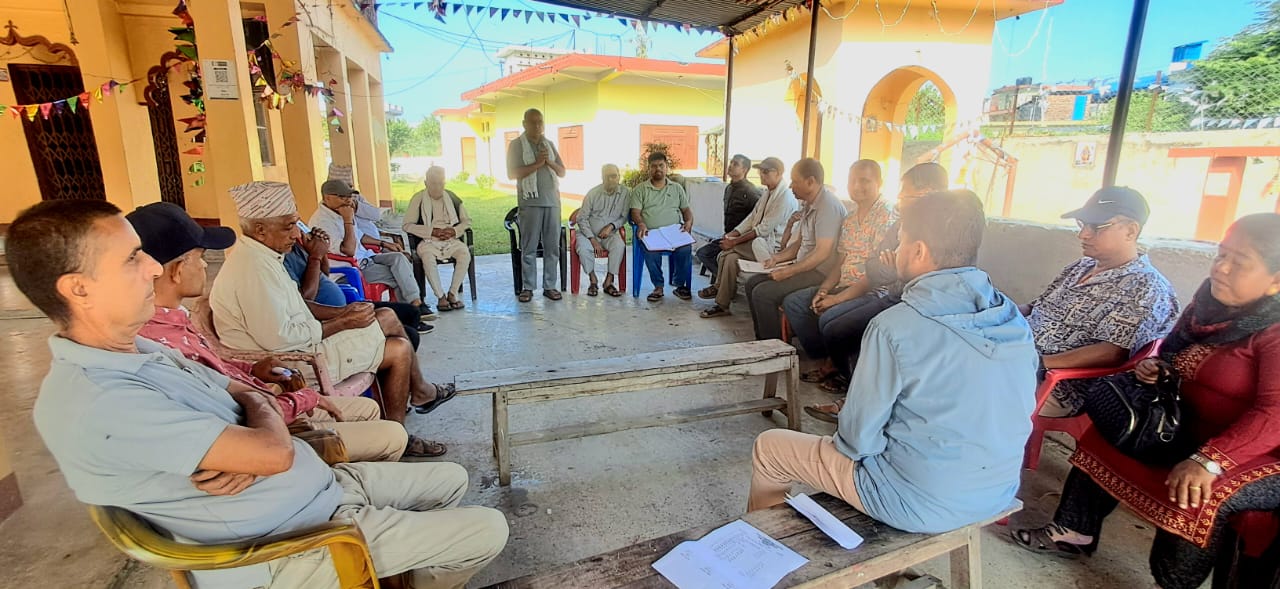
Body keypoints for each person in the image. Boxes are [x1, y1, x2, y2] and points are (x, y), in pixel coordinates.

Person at [10, 199, 508, 589]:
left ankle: (397, 568)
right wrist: (260, 424)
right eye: (131, 259)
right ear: (78, 288)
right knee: (488, 529)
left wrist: (255, 414)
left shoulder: (139, 347)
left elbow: (240, 390)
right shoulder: (99, 401)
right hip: (294, 544)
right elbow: (271, 448)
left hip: (318, 491)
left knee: (451, 478)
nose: (153, 269)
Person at [1011, 213, 1280, 589]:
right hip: (1187, 421)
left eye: (1240, 262)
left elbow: (1274, 414)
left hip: (1254, 450)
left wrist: (1209, 460)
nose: (1221, 268)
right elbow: (1171, 351)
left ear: (1276, 280)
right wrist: (1158, 368)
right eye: (1222, 255)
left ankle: (1173, 581)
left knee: (1199, 491)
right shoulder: (1209, 302)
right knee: (1110, 428)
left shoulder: (1274, 331)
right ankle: (1073, 531)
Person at [748, 190, 1038, 535]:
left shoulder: (895, 326)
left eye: (901, 241)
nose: (896, 250)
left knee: (770, 448)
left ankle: (762, 548)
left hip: (915, 500)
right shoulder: (1010, 316)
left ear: (919, 251)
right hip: (996, 490)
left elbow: (856, 441)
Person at [128, 202, 409, 463]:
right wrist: (300, 398)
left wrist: (251, 370)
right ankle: (350, 480)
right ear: (177, 270)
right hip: (270, 421)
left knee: (374, 397)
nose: (205, 265)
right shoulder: (158, 342)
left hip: (271, 394)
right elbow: (232, 411)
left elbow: (217, 372)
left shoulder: (178, 319)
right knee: (395, 361)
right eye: (200, 257)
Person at [210, 181, 453, 458]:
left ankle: (409, 411)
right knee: (398, 348)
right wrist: (343, 322)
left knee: (387, 317)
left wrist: (343, 313)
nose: (296, 234)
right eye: (288, 226)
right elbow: (281, 339)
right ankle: (403, 428)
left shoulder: (265, 256)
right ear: (260, 229)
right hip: (291, 363)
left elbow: (300, 305)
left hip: (302, 345)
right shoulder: (253, 270)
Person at [794, 163, 948, 409]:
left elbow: (890, 275)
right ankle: (845, 377)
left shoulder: (936, 229)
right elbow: (875, 267)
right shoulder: (899, 224)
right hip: (895, 293)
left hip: (904, 299)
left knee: (853, 328)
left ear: (928, 194)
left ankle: (859, 398)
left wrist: (893, 269)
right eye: (852, 180)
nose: (900, 199)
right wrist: (827, 290)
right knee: (821, 318)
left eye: (905, 194)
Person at [1022, 187, 1180, 417]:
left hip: (1058, 385)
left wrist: (1038, 362)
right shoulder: (1080, 267)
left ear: (1130, 231)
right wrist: (996, 309)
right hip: (1018, 357)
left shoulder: (1146, 286)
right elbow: (1036, 307)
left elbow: (1112, 352)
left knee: (975, 386)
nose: (1083, 235)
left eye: (1096, 227)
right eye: (1082, 224)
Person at [744, 158, 845, 341]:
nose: (791, 186)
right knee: (752, 283)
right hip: (805, 267)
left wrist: (788, 271)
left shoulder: (827, 207)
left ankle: (774, 348)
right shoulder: (809, 203)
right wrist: (776, 259)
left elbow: (822, 253)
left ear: (811, 182)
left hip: (820, 272)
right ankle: (762, 341)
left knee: (763, 294)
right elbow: (798, 244)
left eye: (795, 181)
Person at [283, 232, 430, 345]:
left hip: (343, 305)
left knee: (411, 313)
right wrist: (315, 257)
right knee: (409, 336)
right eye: (290, 225)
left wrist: (322, 251)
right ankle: (390, 361)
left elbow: (324, 274)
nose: (296, 231)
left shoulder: (297, 246)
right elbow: (305, 300)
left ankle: (395, 359)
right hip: (328, 317)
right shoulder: (281, 260)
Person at [698, 156, 796, 317]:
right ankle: (722, 305)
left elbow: (763, 229)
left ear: (778, 173)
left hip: (773, 249)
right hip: (758, 243)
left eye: (766, 172)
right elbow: (751, 219)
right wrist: (732, 235)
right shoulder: (767, 193)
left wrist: (734, 242)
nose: (762, 175)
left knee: (726, 252)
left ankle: (717, 286)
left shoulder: (784, 198)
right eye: (760, 171)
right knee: (729, 258)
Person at [309, 178, 426, 312]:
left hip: (365, 258)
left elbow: (359, 236)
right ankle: (412, 311)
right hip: (349, 270)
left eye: (349, 196)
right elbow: (349, 250)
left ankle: (414, 304)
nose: (348, 201)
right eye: (342, 197)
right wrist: (348, 220)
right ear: (327, 198)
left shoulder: (340, 210)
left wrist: (384, 244)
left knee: (399, 258)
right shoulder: (322, 221)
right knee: (400, 276)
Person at [507, 108, 566, 303]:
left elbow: (562, 172)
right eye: (533, 122)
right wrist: (538, 164)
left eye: (540, 121)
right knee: (529, 247)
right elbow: (512, 173)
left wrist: (548, 161)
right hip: (530, 202)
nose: (538, 125)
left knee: (552, 247)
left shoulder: (548, 144)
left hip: (552, 202)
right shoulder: (516, 145)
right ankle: (528, 287)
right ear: (524, 124)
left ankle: (550, 286)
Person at [404, 166, 473, 312]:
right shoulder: (418, 199)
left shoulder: (452, 197)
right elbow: (407, 225)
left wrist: (454, 231)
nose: (437, 187)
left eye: (441, 183)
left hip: (450, 240)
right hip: (428, 241)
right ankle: (440, 296)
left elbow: (467, 221)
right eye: (433, 184)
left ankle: (452, 293)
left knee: (464, 253)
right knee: (428, 258)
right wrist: (431, 231)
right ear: (426, 183)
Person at [630, 151, 695, 302]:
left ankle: (679, 284)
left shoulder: (677, 188)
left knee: (685, 249)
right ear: (648, 169)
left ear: (667, 167)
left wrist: (688, 222)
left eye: (661, 165)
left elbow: (686, 210)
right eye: (653, 166)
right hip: (651, 233)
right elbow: (635, 212)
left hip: (673, 232)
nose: (657, 169)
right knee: (651, 252)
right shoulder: (640, 189)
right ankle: (658, 287)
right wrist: (641, 223)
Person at [695, 154, 760, 276]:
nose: (730, 166)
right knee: (703, 253)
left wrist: (739, 237)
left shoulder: (751, 192)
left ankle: (724, 280)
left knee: (706, 254)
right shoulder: (729, 188)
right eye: (731, 163)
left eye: (736, 164)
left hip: (742, 239)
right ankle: (723, 278)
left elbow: (757, 218)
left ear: (744, 169)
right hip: (727, 236)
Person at [571, 163, 629, 297]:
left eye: (613, 176)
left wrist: (611, 226)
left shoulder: (625, 193)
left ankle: (608, 282)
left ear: (619, 177)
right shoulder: (593, 193)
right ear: (602, 177)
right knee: (583, 248)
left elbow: (624, 217)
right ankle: (593, 280)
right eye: (607, 176)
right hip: (588, 234)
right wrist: (592, 239)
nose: (610, 179)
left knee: (619, 246)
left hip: (610, 234)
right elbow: (581, 218)